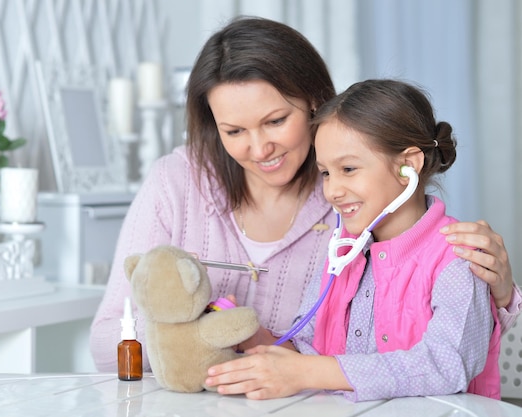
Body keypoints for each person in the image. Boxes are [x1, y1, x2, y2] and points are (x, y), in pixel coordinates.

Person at [89, 16, 520, 372]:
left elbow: (420, 322)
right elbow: (109, 338)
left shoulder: (356, 202)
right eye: (234, 131)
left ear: (314, 101)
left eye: (275, 121)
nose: (259, 149)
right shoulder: (176, 182)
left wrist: (503, 296)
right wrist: (206, 334)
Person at [205, 79, 501, 401]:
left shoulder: (459, 255)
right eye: (326, 173)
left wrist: (307, 372)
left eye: (348, 168)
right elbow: (308, 347)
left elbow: (446, 364)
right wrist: (253, 338)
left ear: (408, 165)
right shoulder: (343, 254)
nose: (332, 191)